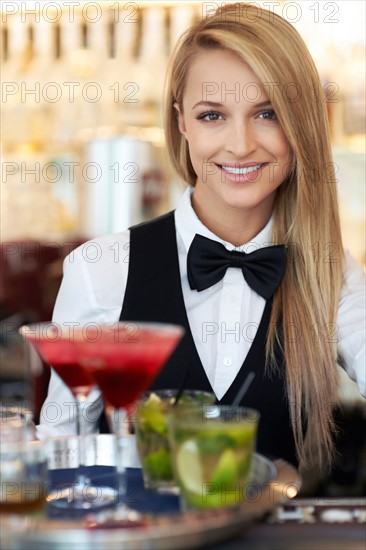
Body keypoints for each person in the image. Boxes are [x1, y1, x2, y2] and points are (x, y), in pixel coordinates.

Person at [37, 3, 365, 471]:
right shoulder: (100, 268)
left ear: (301, 124)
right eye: (213, 116)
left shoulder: (333, 274)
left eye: (267, 113)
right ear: (181, 122)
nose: (240, 144)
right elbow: (59, 448)